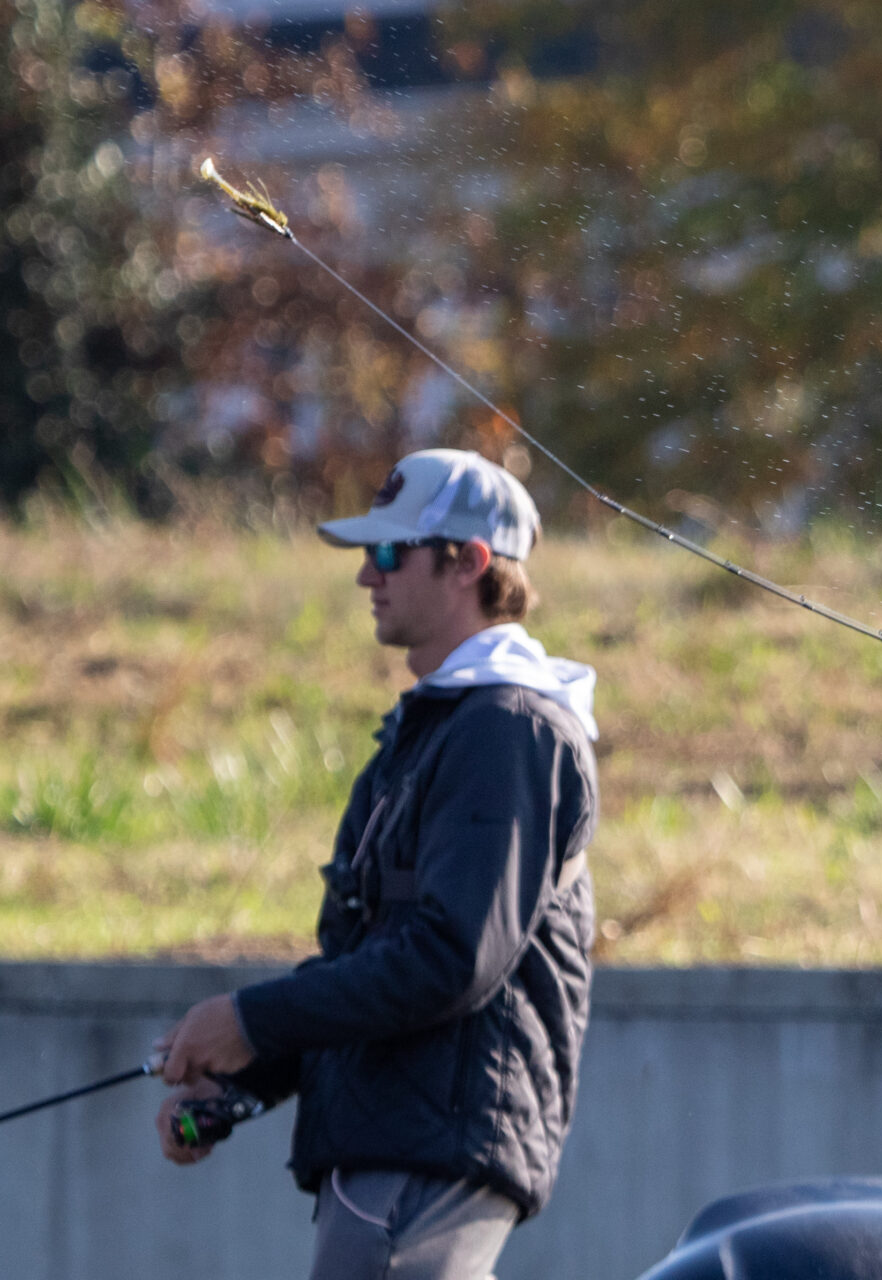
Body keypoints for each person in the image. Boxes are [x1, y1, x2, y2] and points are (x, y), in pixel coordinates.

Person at [153, 447, 602, 1280]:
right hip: (392, 1154)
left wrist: (253, 1019)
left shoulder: (508, 730)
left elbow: (451, 958)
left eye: (390, 552)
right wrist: (254, 1079)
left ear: (468, 563)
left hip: (426, 1163)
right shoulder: (435, 730)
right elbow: (372, 964)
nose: (367, 574)